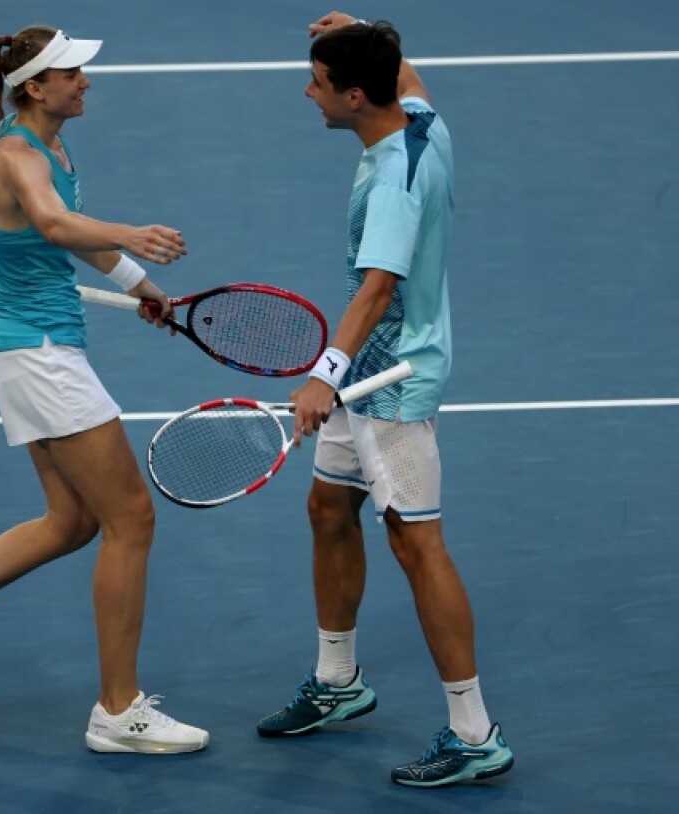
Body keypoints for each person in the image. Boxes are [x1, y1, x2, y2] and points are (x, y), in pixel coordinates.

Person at [0, 25, 208, 755]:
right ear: (35, 87)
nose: (85, 82)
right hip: (40, 358)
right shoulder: (15, 154)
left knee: (71, 522)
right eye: (72, 74)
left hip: (30, 350)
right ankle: (117, 712)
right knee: (131, 521)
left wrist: (141, 285)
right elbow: (56, 223)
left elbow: (75, 236)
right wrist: (137, 233)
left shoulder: (50, 146)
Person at [255, 12, 513, 786]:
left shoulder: (396, 183)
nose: (309, 93)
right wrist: (365, 26)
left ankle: (474, 733)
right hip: (364, 374)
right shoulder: (421, 122)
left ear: (356, 95)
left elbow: (378, 288)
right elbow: (411, 78)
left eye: (320, 83)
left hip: (391, 384)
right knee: (327, 509)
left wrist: (321, 377)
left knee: (416, 544)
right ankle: (338, 683)